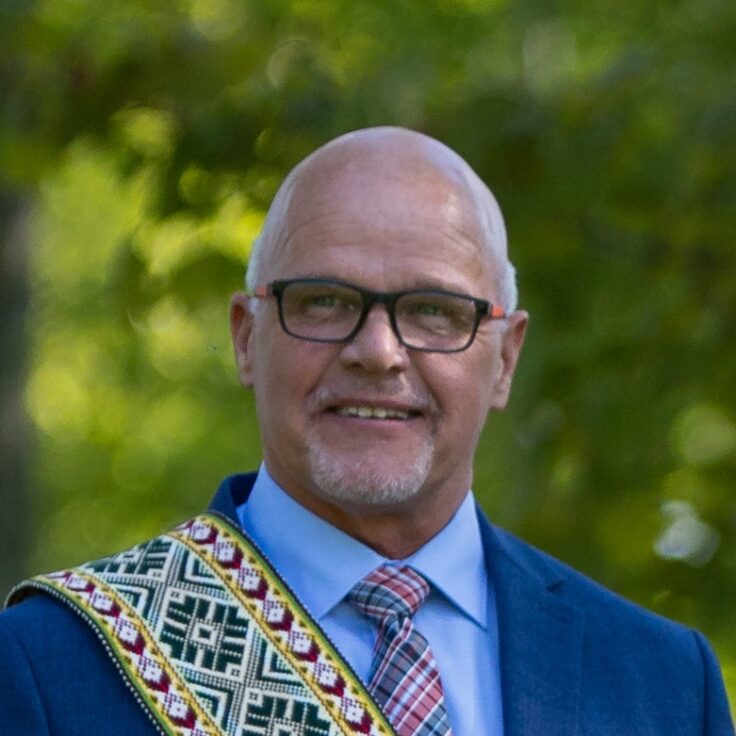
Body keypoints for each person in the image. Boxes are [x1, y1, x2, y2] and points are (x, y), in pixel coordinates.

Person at [0, 127, 732, 736]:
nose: (377, 352)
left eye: (434, 311)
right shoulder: (47, 666)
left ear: (505, 359)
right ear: (246, 339)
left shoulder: (665, 687)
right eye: (323, 301)